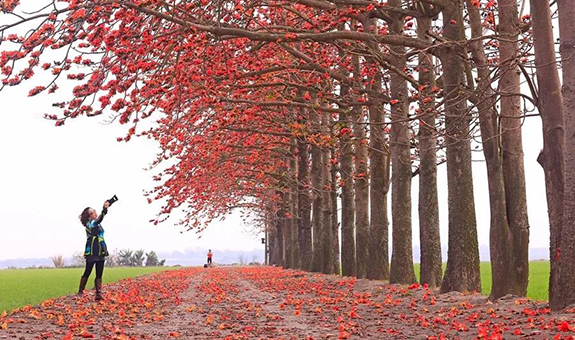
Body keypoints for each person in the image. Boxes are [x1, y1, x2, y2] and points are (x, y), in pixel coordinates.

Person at [77, 200, 111, 301]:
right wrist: (104, 210)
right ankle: (80, 291)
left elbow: (99, 221)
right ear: (88, 217)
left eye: (94, 211)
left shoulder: (97, 224)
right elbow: (99, 220)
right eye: (92, 213)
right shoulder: (90, 224)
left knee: (99, 272)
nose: (94, 213)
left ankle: (98, 293)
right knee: (88, 271)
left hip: (100, 249)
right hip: (92, 250)